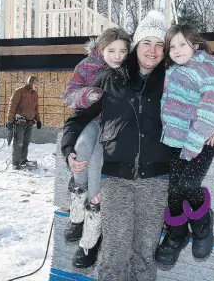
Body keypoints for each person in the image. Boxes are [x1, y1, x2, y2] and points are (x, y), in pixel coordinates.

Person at [61, 10, 172, 280]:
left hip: (156, 180)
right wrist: (68, 150)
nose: (153, 50)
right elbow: (78, 117)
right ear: (136, 46)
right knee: (114, 252)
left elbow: (212, 104)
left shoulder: (174, 80)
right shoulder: (112, 79)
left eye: (160, 44)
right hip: (116, 180)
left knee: (145, 253)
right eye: (147, 42)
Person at [154, 24, 214, 268]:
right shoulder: (170, 70)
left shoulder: (209, 69)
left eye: (182, 44)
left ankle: (202, 222)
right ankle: (177, 234)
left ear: (196, 45)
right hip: (175, 139)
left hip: (201, 138)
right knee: (172, 189)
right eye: (172, 46)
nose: (177, 50)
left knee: (188, 183)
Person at [61, 28, 131, 268]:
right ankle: (77, 212)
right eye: (112, 50)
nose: (118, 56)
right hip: (91, 120)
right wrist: (86, 95)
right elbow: (68, 95)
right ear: (101, 50)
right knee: (81, 149)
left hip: (112, 128)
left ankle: (90, 235)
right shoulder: (87, 66)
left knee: (97, 167)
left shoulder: (128, 71)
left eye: (123, 50)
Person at [6, 75, 42, 170]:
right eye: (35, 83)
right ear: (30, 82)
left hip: (30, 122)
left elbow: (36, 108)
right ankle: (16, 162)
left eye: (37, 83)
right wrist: (10, 121)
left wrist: (38, 120)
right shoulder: (19, 92)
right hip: (20, 122)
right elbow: (12, 106)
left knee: (26, 142)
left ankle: (23, 159)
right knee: (18, 142)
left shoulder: (35, 94)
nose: (36, 85)